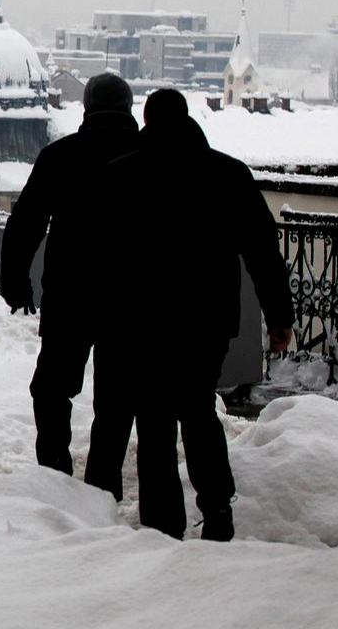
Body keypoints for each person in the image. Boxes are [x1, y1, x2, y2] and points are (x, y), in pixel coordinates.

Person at [90, 89, 293, 541]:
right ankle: (217, 508)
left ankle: (163, 526)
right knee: (199, 412)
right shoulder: (229, 174)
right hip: (206, 322)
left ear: (146, 120)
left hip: (141, 323)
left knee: (155, 421)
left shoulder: (120, 175)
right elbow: (263, 253)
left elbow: (100, 259)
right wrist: (279, 317)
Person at [0, 73, 141, 477]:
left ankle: (55, 472)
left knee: (50, 389)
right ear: (129, 107)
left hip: (69, 294)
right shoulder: (148, 155)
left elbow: (25, 223)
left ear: (88, 108)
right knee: (117, 398)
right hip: (130, 298)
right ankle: (102, 480)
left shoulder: (60, 155)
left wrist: (16, 282)